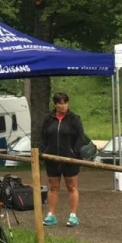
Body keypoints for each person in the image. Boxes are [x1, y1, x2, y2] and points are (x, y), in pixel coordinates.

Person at [41, 92, 86, 228]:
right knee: (53, 187)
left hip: (70, 160)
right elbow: (42, 137)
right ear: (55, 104)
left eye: (65, 103)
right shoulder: (48, 119)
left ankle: (73, 215)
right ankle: (51, 215)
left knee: (72, 187)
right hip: (51, 159)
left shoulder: (74, 118)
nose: (63, 106)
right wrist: (45, 151)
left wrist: (74, 152)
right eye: (60, 103)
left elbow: (81, 137)